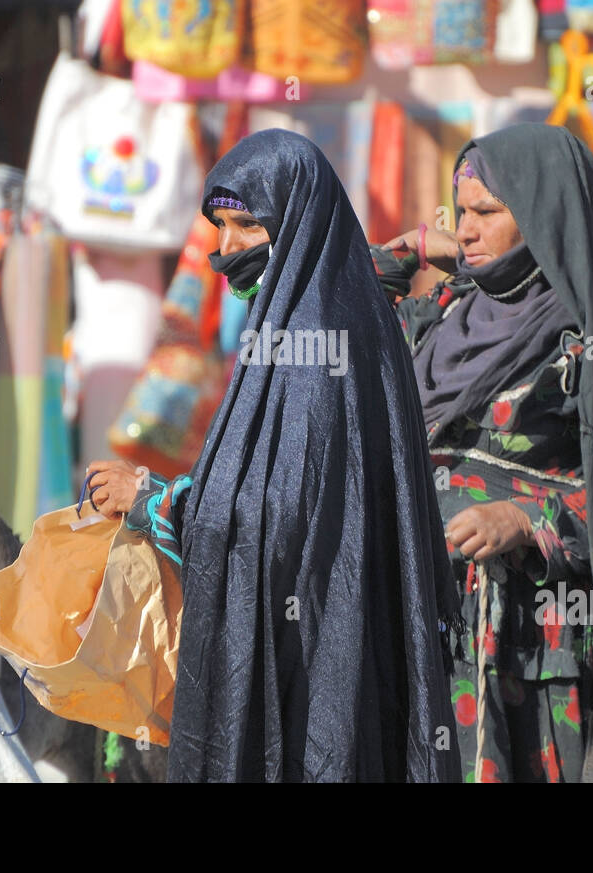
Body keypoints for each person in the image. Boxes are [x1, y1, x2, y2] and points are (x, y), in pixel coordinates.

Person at [86, 128, 461, 783]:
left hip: (313, 655)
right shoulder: (328, 315)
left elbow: (281, 518)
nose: (225, 249)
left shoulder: (314, 337)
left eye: (246, 227)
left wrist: (154, 499)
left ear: (296, 222)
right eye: (219, 227)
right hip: (332, 637)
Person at [372, 123, 593, 782]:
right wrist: (413, 247)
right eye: (459, 213)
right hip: (428, 625)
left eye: (487, 213)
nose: (466, 230)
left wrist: (528, 521)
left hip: (527, 653)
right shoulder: (445, 313)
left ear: (539, 216)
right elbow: (347, 308)